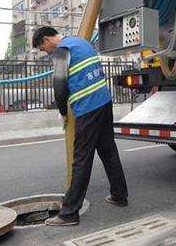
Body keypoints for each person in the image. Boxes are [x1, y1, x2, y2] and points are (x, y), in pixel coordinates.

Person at [33, 27, 128, 226]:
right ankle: (119, 195)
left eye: (43, 47)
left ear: (47, 39)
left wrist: (62, 112)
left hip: (88, 107)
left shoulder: (62, 50)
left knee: (81, 158)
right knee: (108, 150)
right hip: (104, 102)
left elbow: (59, 84)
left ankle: (68, 214)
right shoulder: (82, 43)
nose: (46, 51)